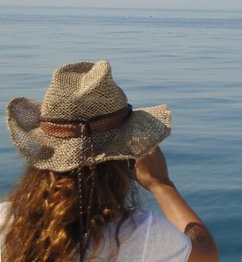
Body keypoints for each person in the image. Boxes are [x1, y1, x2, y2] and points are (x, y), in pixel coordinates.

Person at [0, 60, 219, 262]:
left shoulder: (6, 220)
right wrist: (162, 186)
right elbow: (206, 254)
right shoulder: (138, 233)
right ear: (124, 157)